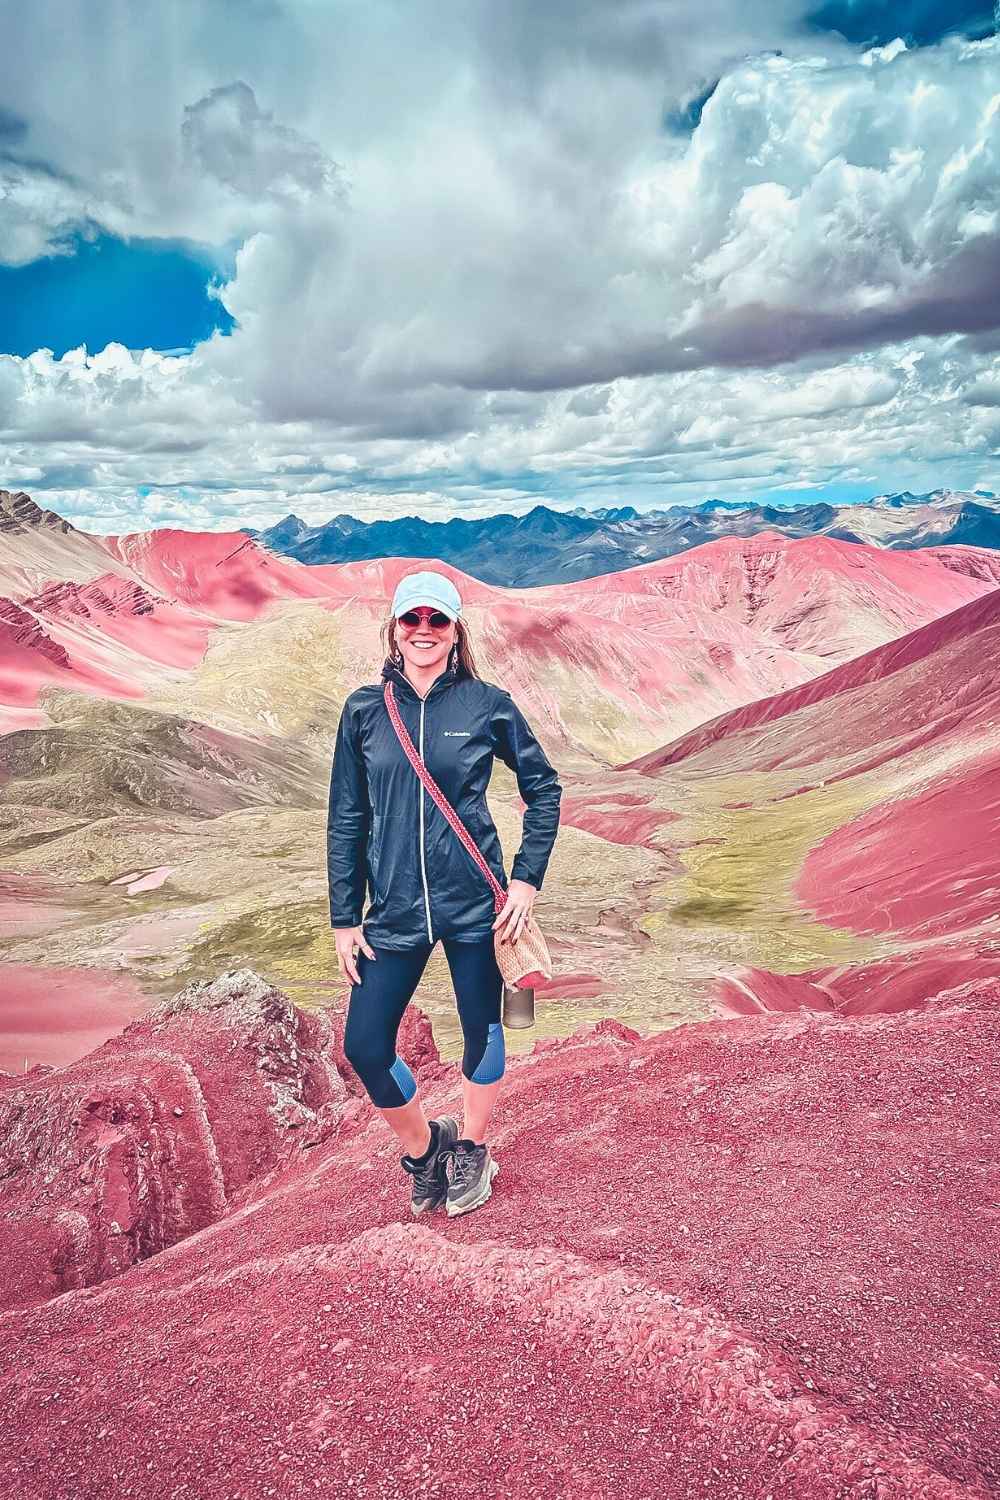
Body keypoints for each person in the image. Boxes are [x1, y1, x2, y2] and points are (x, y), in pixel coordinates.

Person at [327, 569, 562, 1218]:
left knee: (483, 1032)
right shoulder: (364, 711)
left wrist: (525, 878)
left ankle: (475, 1149)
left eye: (438, 619)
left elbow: (543, 789)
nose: (424, 631)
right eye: (412, 619)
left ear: (456, 629)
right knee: (365, 1046)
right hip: (394, 909)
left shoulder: (487, 704)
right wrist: (345, 917)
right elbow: (347, 815)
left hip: (472, 909)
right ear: (394, 628)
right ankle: (426, 1149)